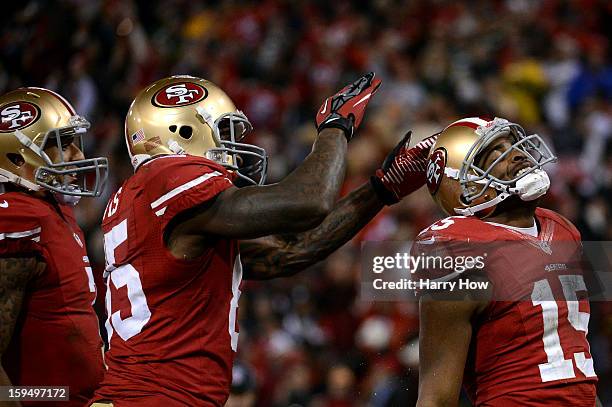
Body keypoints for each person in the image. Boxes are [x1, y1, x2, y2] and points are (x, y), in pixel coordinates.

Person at [91, 73, 435, 406]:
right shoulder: (168, 179)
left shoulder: (149, 201)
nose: (232, 147)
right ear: (181, 132)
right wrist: (335, 127)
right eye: (222, 131)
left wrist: (381, 189)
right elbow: (311, 201)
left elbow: (290, 252)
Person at [413, 117, 599, 406]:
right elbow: (436, 399)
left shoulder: (564, 230)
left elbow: (576, 363)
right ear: (465, 188)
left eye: (511, 144)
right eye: (495, 153)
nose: (516, 154)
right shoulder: (461, 251)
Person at [0, 87, 109, 406]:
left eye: (74, 141)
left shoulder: (53, 210)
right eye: (61, 145)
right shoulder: (19, 219)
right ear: (17, 157)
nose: (78, 155)